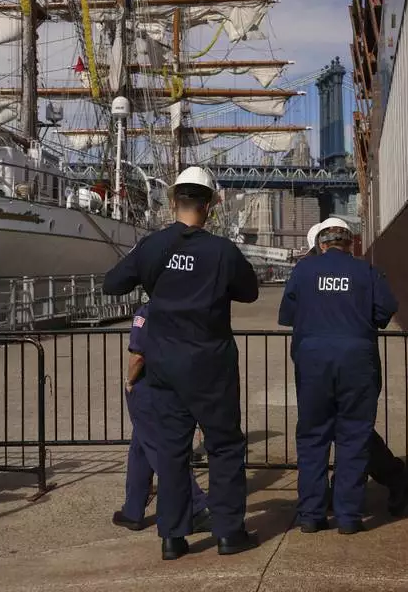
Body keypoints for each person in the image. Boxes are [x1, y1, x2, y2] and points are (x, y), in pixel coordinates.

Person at [103, 166, 259, 560]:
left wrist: (157, 279)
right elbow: (250, 292)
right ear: (210, 205)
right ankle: (229, 533)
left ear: (173, 202)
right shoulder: (222, 251)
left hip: (163, 365)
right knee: (224, 447)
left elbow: (112, 284)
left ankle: (172, 538)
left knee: (172, 452)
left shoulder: (152, 246)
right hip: (211, 365)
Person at [277, 216, 399, 534]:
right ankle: (348, 517)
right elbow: (386, 309)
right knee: (354, 435)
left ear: (321, 245)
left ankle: (311, 515)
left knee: (312, 436)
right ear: (351, 244)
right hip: (357, 361)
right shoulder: (367, 271)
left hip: (313, 362)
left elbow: (288, 314)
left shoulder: (304, 271)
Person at [113, 303, 210, 533]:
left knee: (160, 452)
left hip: (148, 387)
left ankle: (197, 506)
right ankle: (133, 509)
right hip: (174, 383)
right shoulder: (183, 307)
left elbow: (138, 355)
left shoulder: (147, 311)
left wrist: (129, 381)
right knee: (140, 448)